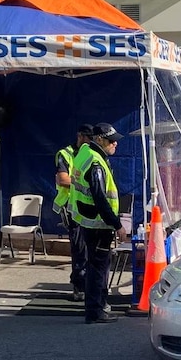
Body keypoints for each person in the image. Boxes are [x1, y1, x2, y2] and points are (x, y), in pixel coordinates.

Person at [69, 122, 128, 324]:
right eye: (112, 141)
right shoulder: (95, 163)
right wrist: (117, 224)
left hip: (87, 220)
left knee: (96, 264)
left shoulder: (85, 151)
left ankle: (97, 308)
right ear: (100, 140)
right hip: (98, 223)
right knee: (99, 267)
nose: (115, 145)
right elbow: (100, 198)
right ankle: (96, 311)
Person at [54, 124, 93, 301]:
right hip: (71, 207)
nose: (91, 142)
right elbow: (63, 179)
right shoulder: (66, 154)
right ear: (80, 137)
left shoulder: (91, 154)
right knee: (79, 248)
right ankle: (79, 286)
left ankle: (86, 283)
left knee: (89, 248)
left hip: (88, 207)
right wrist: (88, 183)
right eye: (89, 138)